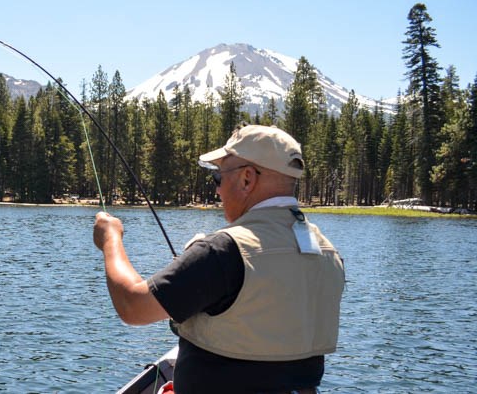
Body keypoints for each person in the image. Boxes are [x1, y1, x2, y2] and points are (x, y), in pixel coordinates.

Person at [94, 125, 345, 394]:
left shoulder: (223, 251)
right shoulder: (328, 254)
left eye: (218, 178)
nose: (217, 190)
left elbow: (132, 305)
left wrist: (111, 240)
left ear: (247, 179)